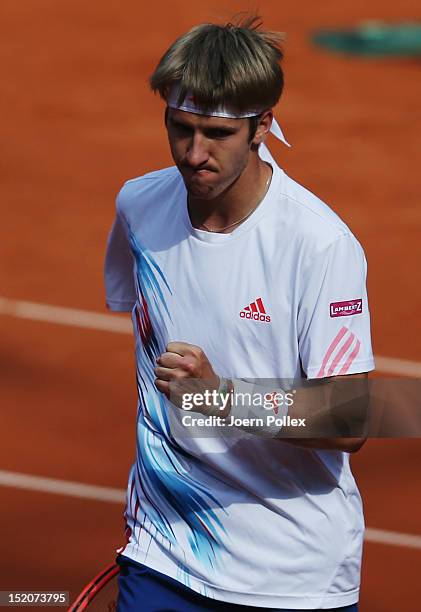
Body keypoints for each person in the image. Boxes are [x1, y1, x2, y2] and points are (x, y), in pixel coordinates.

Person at [104, 15, 375, 612]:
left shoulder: (319, 246)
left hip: (290, 576)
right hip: (164, 551)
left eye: (216, 134)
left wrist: (219, 397)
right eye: (180, 128)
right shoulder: (140, 208)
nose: (193, 154)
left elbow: (351, 417)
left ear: (261, 127)